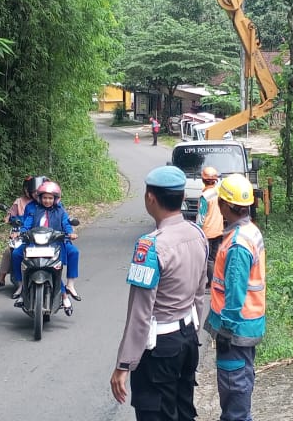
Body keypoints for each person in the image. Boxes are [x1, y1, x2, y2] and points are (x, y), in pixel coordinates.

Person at [110, 165, 208, 421]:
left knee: (156, 413)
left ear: (150, 198)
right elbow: (199, 294)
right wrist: (190, 334)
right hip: (187, 339)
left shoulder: (150, 246)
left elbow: (140, 314)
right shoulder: (198, 234)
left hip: (159, 349)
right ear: (182, 197)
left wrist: (124, 364)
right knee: (183, 409)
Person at [207, 174, 267, 421]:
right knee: (241, 382)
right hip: (248, 325)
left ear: (224, 206)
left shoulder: (238, 244)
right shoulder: (249, 231)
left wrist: (226, 331)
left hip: (236, 330)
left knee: (235, 392)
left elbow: (235, 292)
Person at [10, 180, 82, 310]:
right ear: (39, 197)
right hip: (34, 242)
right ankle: (22, 286)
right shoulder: (34, 209)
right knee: (16, 255)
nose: (47, 201)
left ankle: (68, 288)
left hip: (54, 242)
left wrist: (70, 233)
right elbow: (27, 224)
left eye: (50, 198)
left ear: (55, 199)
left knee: (59, 263)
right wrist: (19, 233)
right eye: (44, 198)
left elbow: (66, 223)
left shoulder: (60, 210)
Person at [0, 175, 44, 290]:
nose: (29, 191)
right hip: (20, 232)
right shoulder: (19, 202)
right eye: (27, 188)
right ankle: (1, 279)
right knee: (9, 252)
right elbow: (11, 214)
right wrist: (8, 218)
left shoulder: (42, 201)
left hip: (38, 233)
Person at [195, 166, 224, 288]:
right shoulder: (219, 193)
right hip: (219, 230)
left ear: (203, 180)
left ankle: (211, 283)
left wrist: (197, 230)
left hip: (207, 231)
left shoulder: (204, 197)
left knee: (208, 260)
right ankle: (217, 281)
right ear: (215, 181)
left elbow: (201, 217)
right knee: (214, 257)